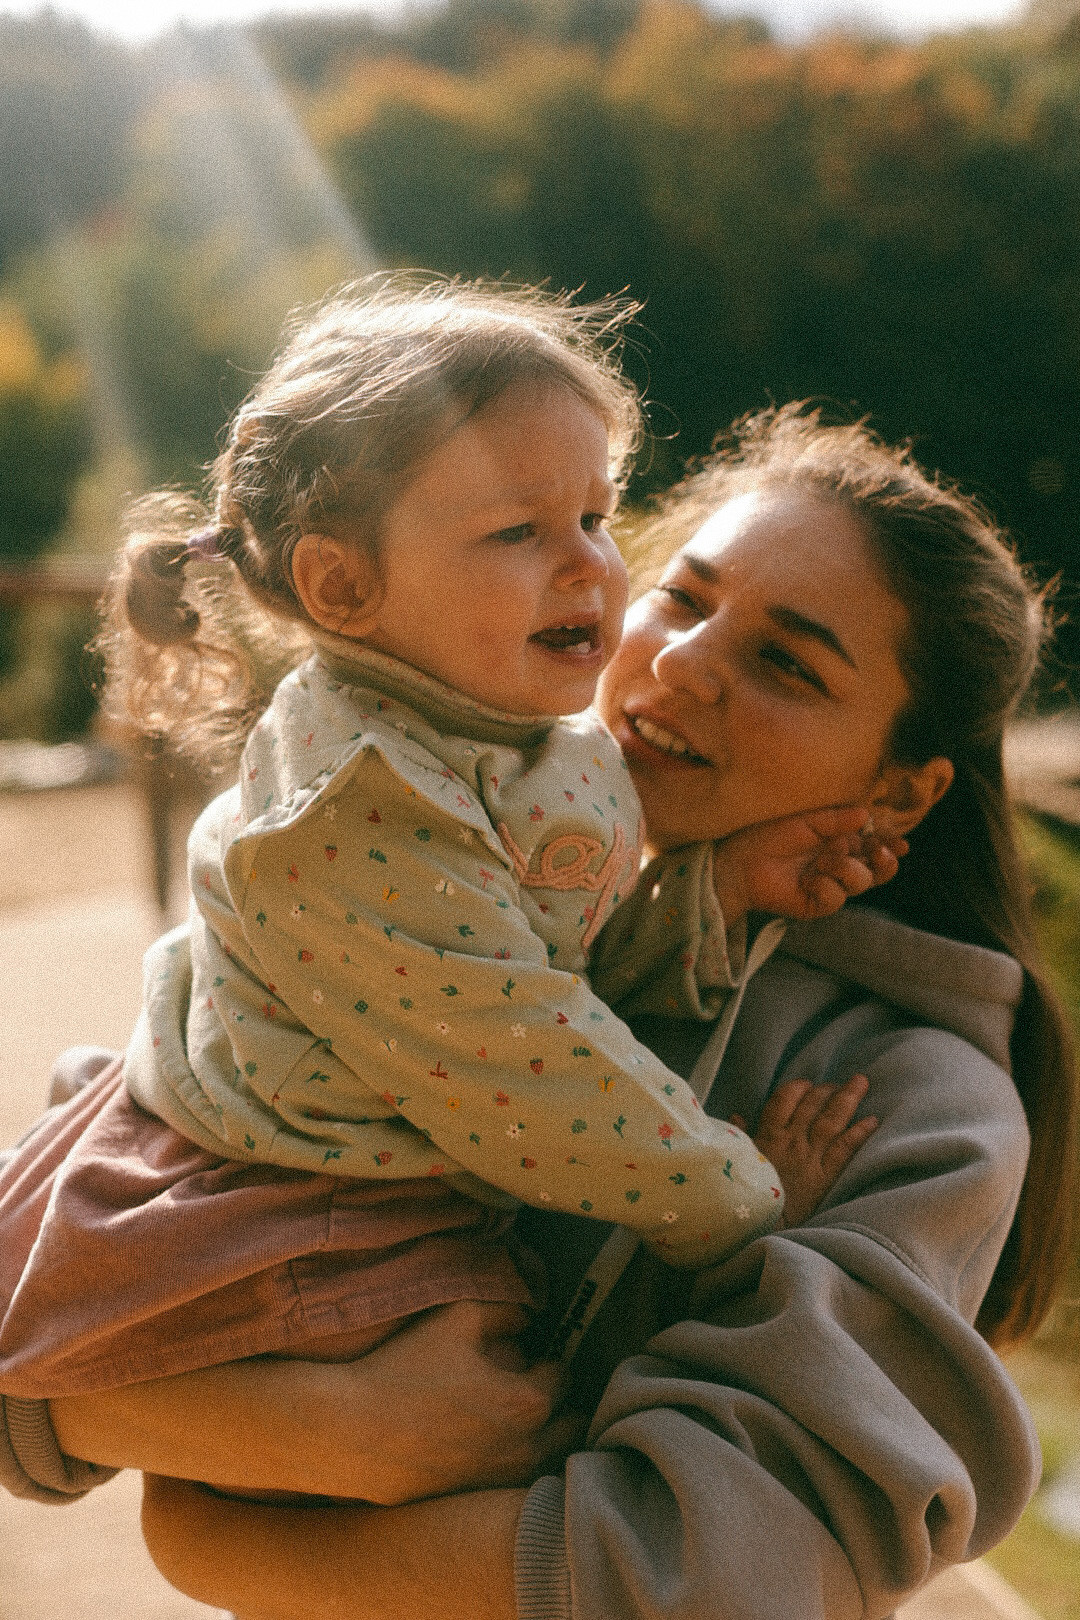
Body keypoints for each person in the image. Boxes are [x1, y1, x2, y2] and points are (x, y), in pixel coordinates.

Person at [3, 403, 1073, 1620]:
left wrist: (224, 1534)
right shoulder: (437, 874)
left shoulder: (912, 1102)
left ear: (906, 788)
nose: (681, 662)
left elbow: (708, 1575)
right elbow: (80, 1220)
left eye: (787, 663)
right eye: (682, 597)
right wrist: (309, 1425)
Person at [0, 280, 888, 1404]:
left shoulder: (508, 730)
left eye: (596, 517)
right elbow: (522, 1055)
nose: (587, 566)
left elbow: (542, 949)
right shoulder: (355, 810)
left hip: (396, 1150)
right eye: (518, 531)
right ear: (343, 584)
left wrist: (710, 891)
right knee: (501, 1418)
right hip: (298, 1216)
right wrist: (741, 1199)